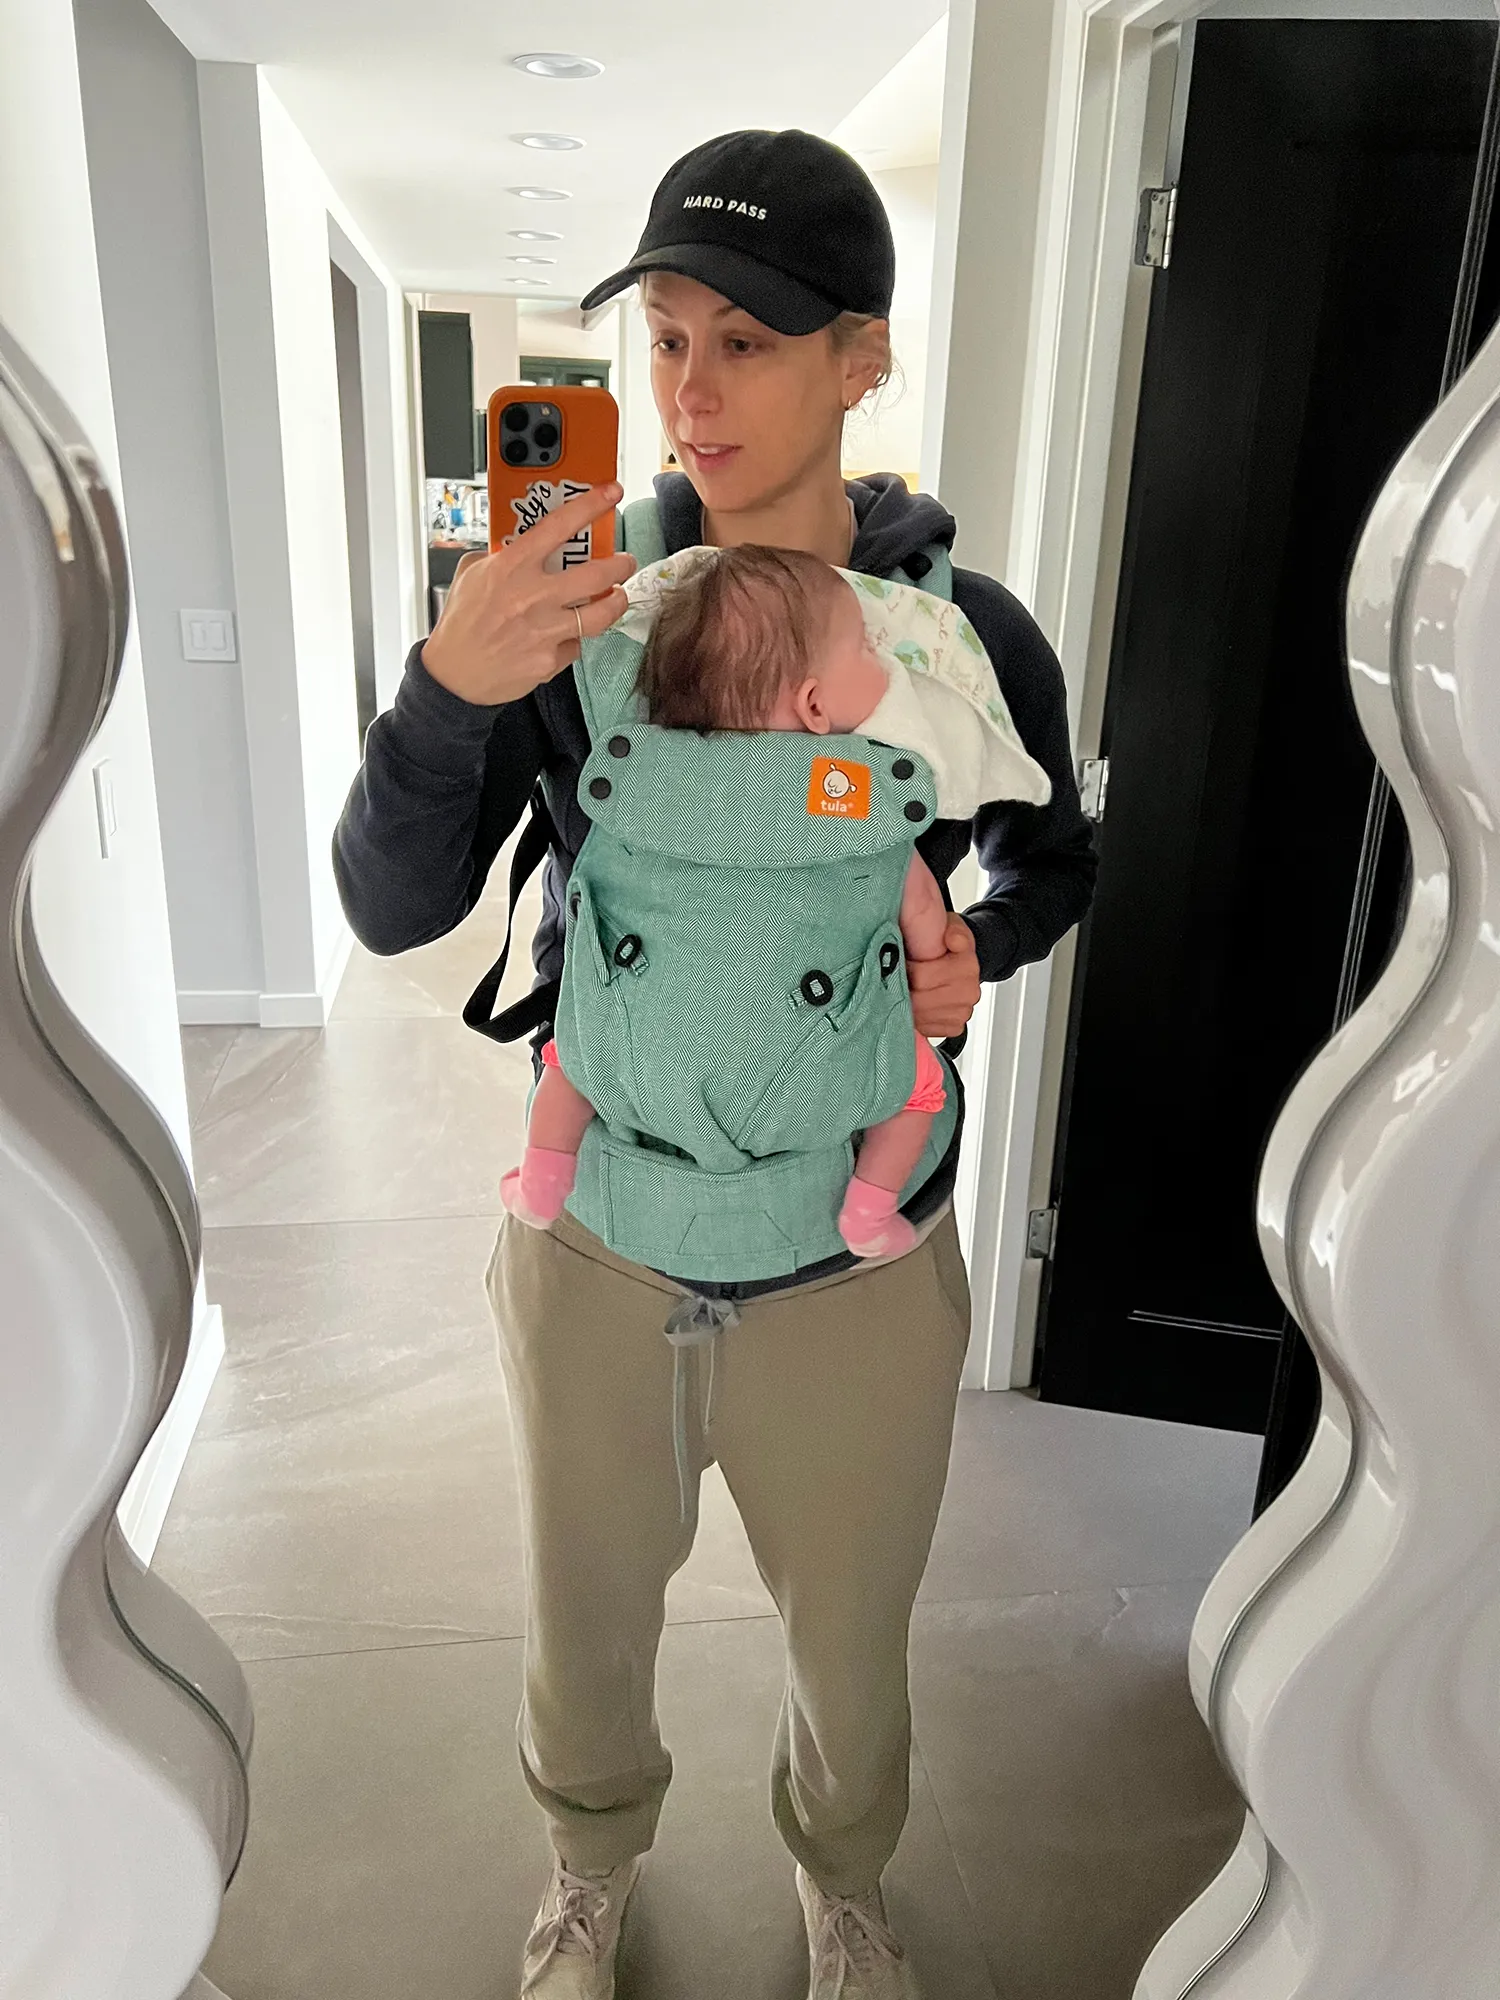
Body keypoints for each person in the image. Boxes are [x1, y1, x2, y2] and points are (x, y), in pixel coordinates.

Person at [334, 126, 1096, 2000]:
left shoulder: (956, 633)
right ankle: (588, 1870)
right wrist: (447, 691)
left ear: (862, 358)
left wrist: (972, 954)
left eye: (746, 341)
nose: (690, 392)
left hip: (857, 1249)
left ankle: (844, 1884)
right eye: (667, 338)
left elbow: (1050, 854)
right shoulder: (582, 611)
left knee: (852, 1631)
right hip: (602, 1231)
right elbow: (390, 905)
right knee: (584, 1612)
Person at [500, 541, 1007, 1261]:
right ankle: (867, 1212)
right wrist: (935, 965)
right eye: (866, 653)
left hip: (634, 1069)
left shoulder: (635, 782)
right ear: (815, 704)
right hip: (817, 1085)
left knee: (570, 1060)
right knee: (917, 1087)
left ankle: (543, 1180)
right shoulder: (869, 809)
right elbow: (925, 926)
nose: (883, 666)